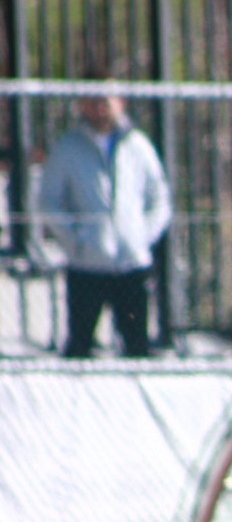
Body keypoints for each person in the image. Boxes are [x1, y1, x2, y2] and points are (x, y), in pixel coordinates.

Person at [37, 77, 172, 358]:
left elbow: (159, 198)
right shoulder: (69, 148)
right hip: (87, 265)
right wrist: (76, 241)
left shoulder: (137, 145)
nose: (100, 108)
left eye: (106, 100)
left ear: (120, 102)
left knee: (137, 346)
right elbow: (49, 201)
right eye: (93, 100)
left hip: (131, 265)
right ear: (82, 105)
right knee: (79, 346)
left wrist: (140, 238)